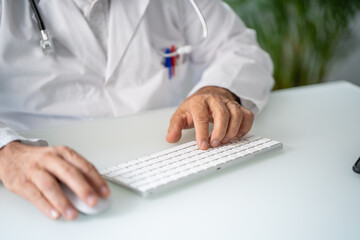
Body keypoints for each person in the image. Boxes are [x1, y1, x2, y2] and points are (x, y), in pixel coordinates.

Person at [0, 0, 274, 220]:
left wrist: (216, 89)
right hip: (34, 170)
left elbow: (239, 47)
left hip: (167, 158)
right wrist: (6, 152)